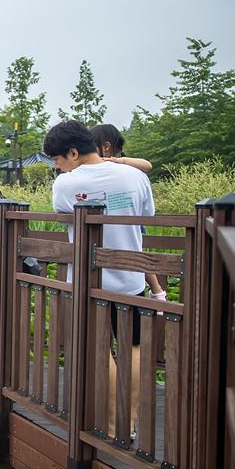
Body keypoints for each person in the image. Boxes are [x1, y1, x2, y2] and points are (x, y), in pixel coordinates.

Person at [46, 120, 156, 439]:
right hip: (132, 276)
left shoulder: (66, 185)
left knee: (99, 348)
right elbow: (145, 218)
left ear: (73, 152)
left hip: (91, 279)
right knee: (131, 347)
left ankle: (108, 425)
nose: (57, 167)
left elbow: (64, 216)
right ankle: (129, 423)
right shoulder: (136, 176)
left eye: (57, 160)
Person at [90, 123, 165, 301]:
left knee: (136, 252)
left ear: (106, 147)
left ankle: (157, 291)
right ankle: (157, 291)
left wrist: (119, 161)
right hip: (129, 219)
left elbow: (147, 165)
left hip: (130, 220)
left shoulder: (123, 163)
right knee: (136, 251)